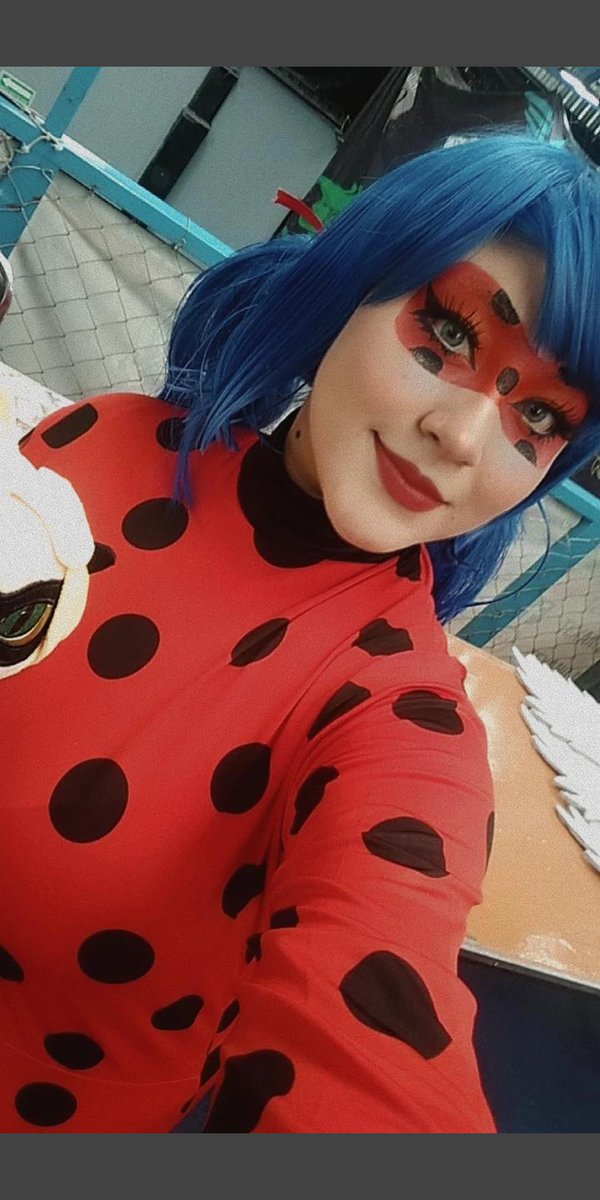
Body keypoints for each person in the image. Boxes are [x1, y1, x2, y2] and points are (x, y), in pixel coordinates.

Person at [2, 132, 600, 1134]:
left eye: (538, 416)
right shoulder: (97, 439)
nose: (462, 437)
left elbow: (376, 1013)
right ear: (353, 282)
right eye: (450, 333)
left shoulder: (399, 715)